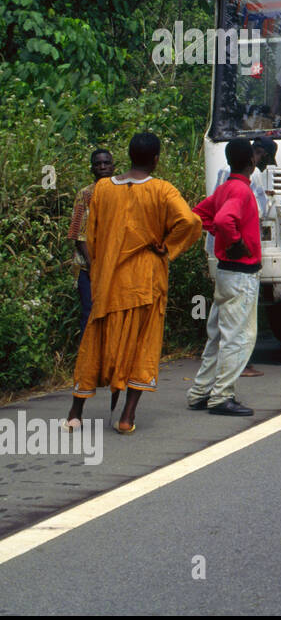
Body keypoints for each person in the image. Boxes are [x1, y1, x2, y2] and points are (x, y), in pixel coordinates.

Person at [65, 133, 203, 434]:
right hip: (145, 279)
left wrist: (100, 269)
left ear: (127, 155)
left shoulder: (102, 189)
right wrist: (167, 246)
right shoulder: (162, 190)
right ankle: (127, 416)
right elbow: (191, 222)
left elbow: (92, 236)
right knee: (142, 345)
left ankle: (75, 413)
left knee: (95, 340)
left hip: (108, 280)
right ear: (156, 159)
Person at [188, 138, 262, 416]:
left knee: (217, 336)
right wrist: (234, 240)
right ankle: (221, 396)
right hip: (242, 273)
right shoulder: (241, 191)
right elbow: (222, 220)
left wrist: (222, 235)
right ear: (252, 161)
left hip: (224, 272)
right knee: (239, 337)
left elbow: (198, 215)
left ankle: (200, 392)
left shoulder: (224, 188)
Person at [69, 148, 115, 336]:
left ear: (114, 167)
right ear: (92, 168)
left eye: (106, 163)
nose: (102, 167)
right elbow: (79, 236)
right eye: (98, 164)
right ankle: (86, 362)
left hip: (115, 266)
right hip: (88, 268)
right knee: (90, 314)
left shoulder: (122, 191)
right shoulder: (85, 194)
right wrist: (94, 266)